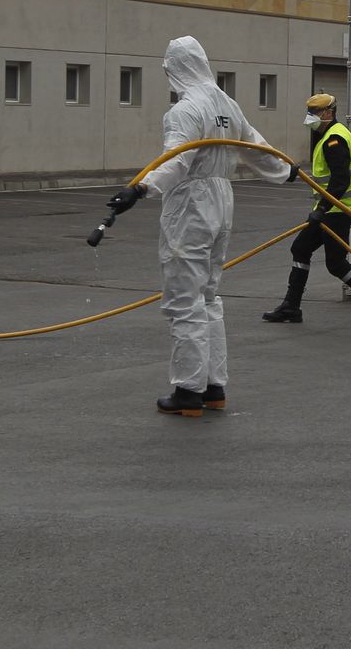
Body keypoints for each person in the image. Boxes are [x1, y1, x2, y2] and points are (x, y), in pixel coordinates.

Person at [106, 36, 296, 418]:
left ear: (176, 68)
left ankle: (188, 391)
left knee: (184, 298)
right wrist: (286, 170)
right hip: (222, 201)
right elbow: (255, 145)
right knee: (208, 297)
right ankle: (214, 386)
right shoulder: (227, 104)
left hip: (191, 204)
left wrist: (141, 187)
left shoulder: (185, 110)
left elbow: (177, 159)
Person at [261, 93, 351, 330]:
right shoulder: (331, 135)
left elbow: (340, 180)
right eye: (310, 112)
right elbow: (326, 178)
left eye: (314, 113)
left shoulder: (334, 140)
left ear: (328, 113)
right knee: (301, 249)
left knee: (336, 264)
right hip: (332, 208)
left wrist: (322, 208)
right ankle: (291, 306)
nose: (310, 118)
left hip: (338, 210)